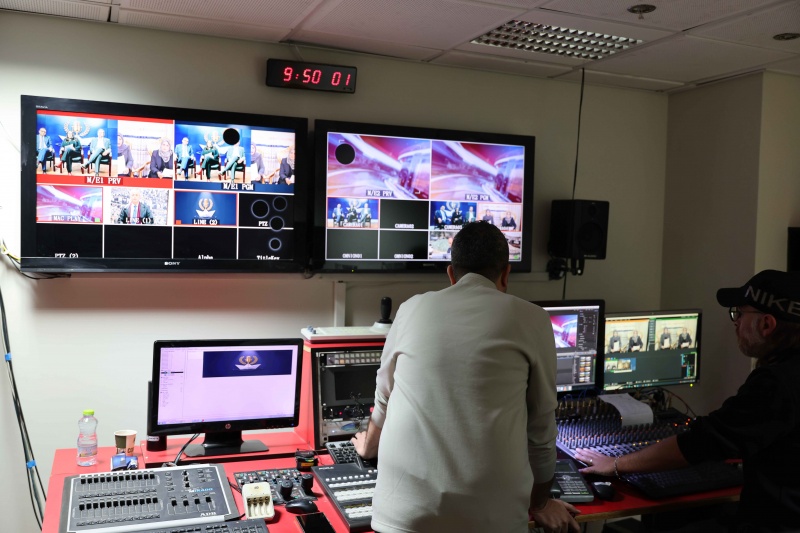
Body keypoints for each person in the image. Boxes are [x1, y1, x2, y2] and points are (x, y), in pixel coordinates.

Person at [350, 221, 580, 533]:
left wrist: (368, 447)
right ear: (506, 274)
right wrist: (540, 503)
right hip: (491, 523)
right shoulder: (533, 319)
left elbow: (384, 398)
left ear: (451, 274)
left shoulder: (409, 309)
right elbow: (541, 429)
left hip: (401, 518)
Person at [575, 270, 800, 532]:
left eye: (739, 313)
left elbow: (702, 442)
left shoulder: (776, 383)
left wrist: (615, 464)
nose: (736, 322)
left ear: (767, 325)